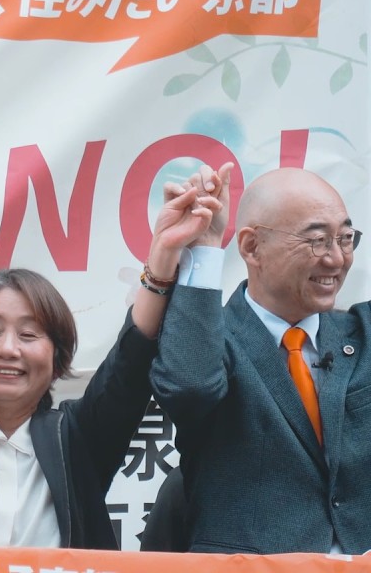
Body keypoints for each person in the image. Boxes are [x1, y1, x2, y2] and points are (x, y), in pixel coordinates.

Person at [0, 145, 229, 548]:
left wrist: (164, 251)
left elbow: (129, 365)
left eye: (29, 336)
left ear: (57, 358)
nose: (9, 349)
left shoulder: (76, 438)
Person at [152, 166, 371, 554]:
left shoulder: (362, 334)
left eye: (345, 238)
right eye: (318, 241)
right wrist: (205, 246)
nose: (336, 259)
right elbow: (189, 388)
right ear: (252, 247)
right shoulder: (212, 341)